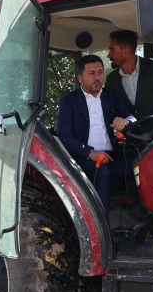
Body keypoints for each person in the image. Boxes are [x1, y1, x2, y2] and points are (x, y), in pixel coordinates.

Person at [56, 55, 136, 219]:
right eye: (91, 73)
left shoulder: (110, 96)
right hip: (83, 157)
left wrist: (125, 122)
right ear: (80, 78)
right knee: (103, 174)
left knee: (138, 167)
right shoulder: (69, 102)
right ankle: (103, 228)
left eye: (100, 72)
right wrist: (90, 153)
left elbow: (132, 119)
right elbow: (64, 136)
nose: (97, 77)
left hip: (111, 155)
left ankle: (139, 220)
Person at [106, 30, 153, 134]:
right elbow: (111, 110)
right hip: (129, 141)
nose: (109, 55)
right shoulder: (111, 79)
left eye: (112, 50)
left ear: (126, 51)